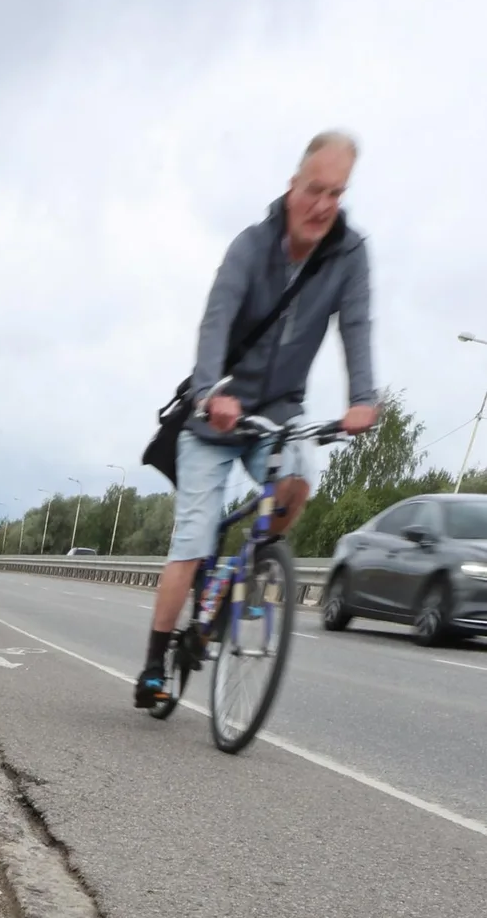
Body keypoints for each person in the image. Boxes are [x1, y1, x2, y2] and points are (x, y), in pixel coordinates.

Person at [134, 132, 378, 709]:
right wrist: (210, 391)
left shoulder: (349, 255)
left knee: (295, 484)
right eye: (315, 190)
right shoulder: (251, 245)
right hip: (214, 418)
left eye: (336, 194)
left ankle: (245, 575)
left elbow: (357, 328)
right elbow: (215, 324)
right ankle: (153, 665)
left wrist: (363, 398)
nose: (323, 205)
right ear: (293, 185)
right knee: (193, 539)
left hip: (280, 411)